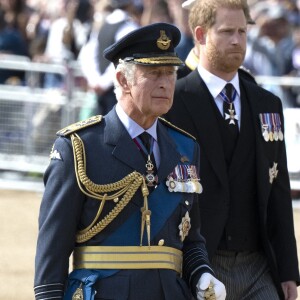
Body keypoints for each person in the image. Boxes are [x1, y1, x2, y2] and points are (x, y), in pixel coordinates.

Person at [34, 22, 226, 300]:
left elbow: (190, 237)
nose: (165, 83)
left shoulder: (186, 147)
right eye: (154, 73)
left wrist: (201, 272)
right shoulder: (79, 146)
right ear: (123, 80)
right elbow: (52, 249)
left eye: (170, 73)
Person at [164, 0, 300, 299]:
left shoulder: (267, 103)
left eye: (242, 31)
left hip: (260, 266)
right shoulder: (174, 102)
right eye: (226, 31)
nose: (237, 40)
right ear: (200, 35)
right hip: (199, 266)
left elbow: (277, 190)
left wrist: (289, 271)